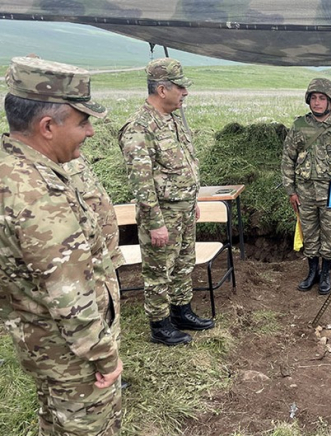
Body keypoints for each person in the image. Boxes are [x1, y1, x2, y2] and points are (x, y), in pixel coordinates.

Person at [0, 56, 122, 435]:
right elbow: (69, 295)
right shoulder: (39, 195)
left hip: (41, 344)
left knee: (54, 423)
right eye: (82, 122)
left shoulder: (13, 168)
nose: (89, 132)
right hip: (72, 357)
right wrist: (104, 357)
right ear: (47, 126)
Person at [118, 58, 214, 347]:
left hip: (183, 208)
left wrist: (191, 198)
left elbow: (181, 164)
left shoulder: (172, 119)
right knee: (160, 270)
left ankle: (181, 311)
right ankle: (160, 325)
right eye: (181, 87)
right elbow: (141, 181)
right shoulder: (139, 127)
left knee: (184, 263)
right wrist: (156, 221)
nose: (185, 93)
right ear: (162, 89)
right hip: (162, 214)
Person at [281, 78, 331, 295]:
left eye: (322, 98)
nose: (317, 103)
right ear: (308, 100)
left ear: (330, 101)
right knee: (309, 234)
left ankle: (326, 273)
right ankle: (312, 273)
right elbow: (287, 159)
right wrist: (290, 190)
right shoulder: (299, 127)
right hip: (305, 193)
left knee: (329, 235)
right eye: (314, 98)